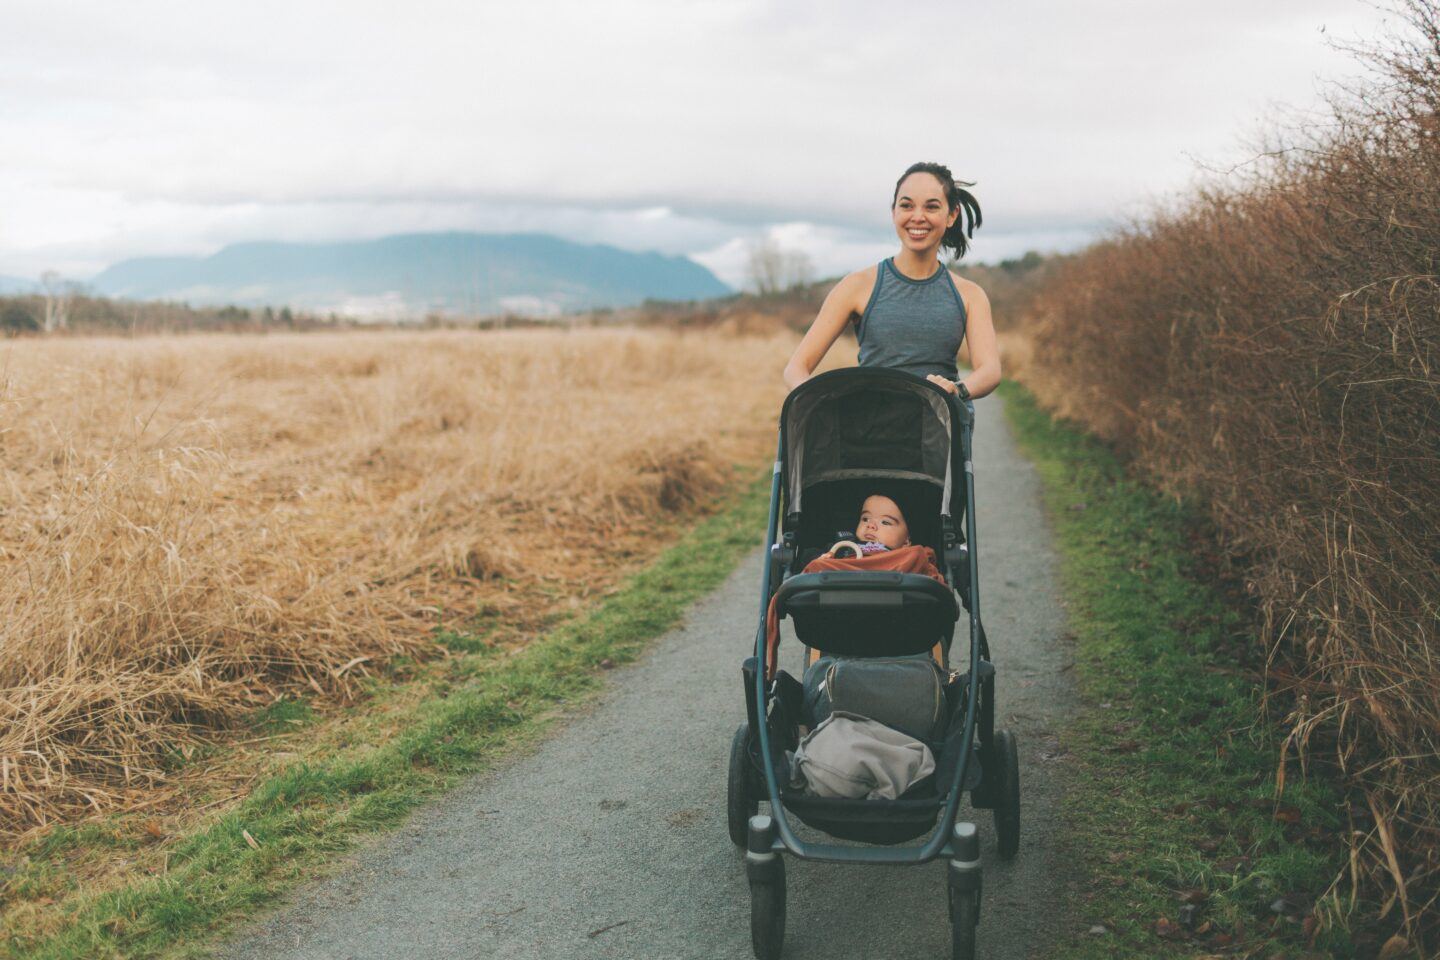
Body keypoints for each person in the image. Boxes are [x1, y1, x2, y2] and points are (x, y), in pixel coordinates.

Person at [782, 162, 1001, 401]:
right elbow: (796, 368)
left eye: (931, 207)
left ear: (951, 215)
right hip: (871, 431)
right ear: (894, 212)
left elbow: (989, 370)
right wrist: (819, 403)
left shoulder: (970, 295)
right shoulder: (856, 286)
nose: (918, 217)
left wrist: (957, 390)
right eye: (906, 206)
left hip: (941, 432)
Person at [822, 493, 911, 559]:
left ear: (905, 542)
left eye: (885, 522)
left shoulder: (908, 557)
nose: (870, 525)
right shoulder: (843, 545)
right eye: (865, 519)